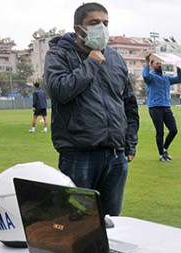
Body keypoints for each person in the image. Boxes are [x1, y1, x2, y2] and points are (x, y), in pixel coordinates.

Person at [44, 2, 139, 217]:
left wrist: (129, 144)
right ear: (79, 29)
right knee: (78, 221)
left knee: (112, 221)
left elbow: (129, 103)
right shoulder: (59, 55)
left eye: (105, 23)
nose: (102, 28)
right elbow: (59, 90)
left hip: (115, 155)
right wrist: (91, 63)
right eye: (94, 23)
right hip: (79, 154)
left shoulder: (115, 58)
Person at [142, 53, 181, 161]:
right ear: (152, 66)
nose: (159, 65)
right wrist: (146, 61)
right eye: (157, 63)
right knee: (160, 132)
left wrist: (177, 65)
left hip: (166, 107)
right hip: (155, 107)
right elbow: (145, 76)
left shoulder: (166, 78)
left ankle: (164, 149)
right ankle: (161, 155)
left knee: (174, 130)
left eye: (160, 63)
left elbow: (180, 78)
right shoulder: (151, 77)